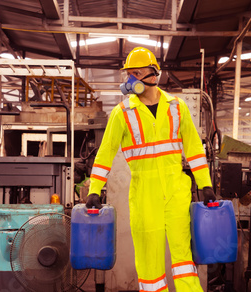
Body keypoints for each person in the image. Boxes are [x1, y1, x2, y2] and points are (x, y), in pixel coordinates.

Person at [86, 47, 216, 292]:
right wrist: (95, 189)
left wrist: (205, 183)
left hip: (176, 192)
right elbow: (105, 154)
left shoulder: (177, 107)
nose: (130, 80)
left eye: (136, 73)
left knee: (184, 260)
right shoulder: (122, 112)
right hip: (144, 196)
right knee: (149, 264)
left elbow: (194, 150)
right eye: (129, 74)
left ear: (153, 75)